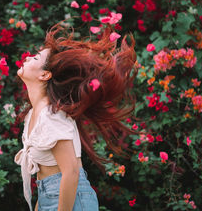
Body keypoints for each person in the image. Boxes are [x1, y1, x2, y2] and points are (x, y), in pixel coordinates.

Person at [14, 21, 139, 211]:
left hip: (72, 200)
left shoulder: (51, 115)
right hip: (52, 196)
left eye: (35, 57)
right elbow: (47, 179)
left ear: (45, 75)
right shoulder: (34, 114)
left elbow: (71, 172)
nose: (28, 58)